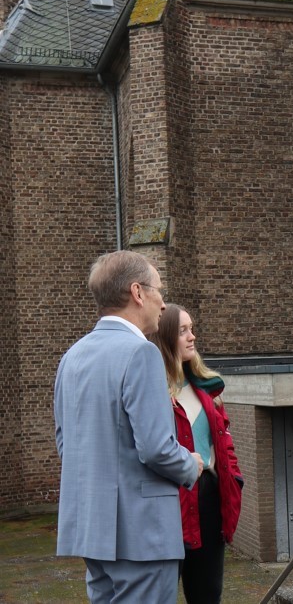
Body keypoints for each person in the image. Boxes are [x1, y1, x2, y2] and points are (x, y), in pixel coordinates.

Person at [54, 251, 203, 603]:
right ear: (137, 292)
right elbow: (155, 448)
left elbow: (67, 444)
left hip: (93, 530)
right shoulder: (142, 353)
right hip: (142, 535)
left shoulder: (71, 356)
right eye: (158, 291)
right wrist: (190, 465)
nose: (163, 304)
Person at [150, 303, 244, 604]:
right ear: (165, 338)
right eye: (182, 331)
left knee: (207, 595)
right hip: (171, 506)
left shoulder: (207, 388)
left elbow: (224, 445)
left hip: (209, 504)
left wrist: (234, 481)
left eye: (192, 329)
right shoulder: (153, 392)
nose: (192, 337)